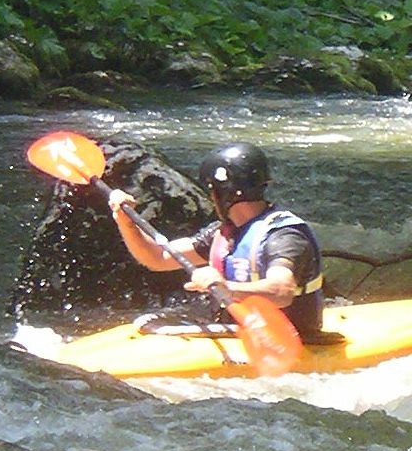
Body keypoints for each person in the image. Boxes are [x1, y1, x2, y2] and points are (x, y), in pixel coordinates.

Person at [107, 141, 328, 339]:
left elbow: (281, 291)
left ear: (222, 192)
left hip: (290, 340)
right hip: (241, 332)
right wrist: (126, 222)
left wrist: (226, 287)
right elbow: (158, 257)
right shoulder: (224, 233)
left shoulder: (284, 236)